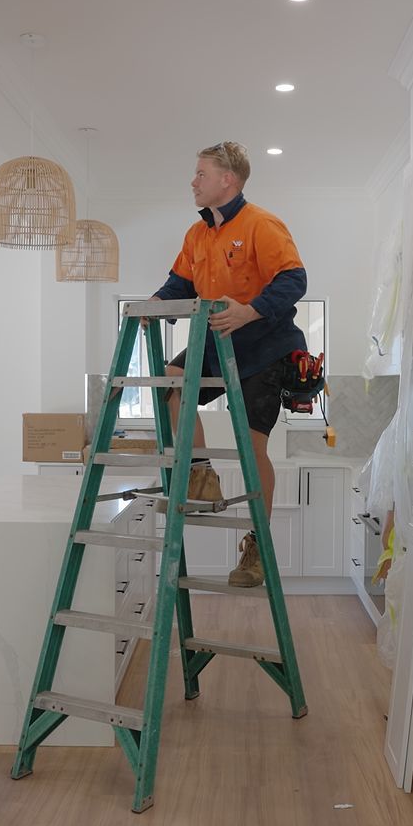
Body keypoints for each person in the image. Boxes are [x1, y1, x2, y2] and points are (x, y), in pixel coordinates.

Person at [151, 140, 307, 588]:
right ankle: (201, 476)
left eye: (201, 174)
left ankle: (258, 547)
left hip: (265, 346)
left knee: (251, 446)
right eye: (195, 174)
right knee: (172, 384)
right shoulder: (198, 235)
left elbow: (294, 280)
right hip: (218, 341)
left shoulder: (261, 224)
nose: (193, 181)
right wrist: (149, 306)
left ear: (228, 180)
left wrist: (250, 309)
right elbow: (177, 285)